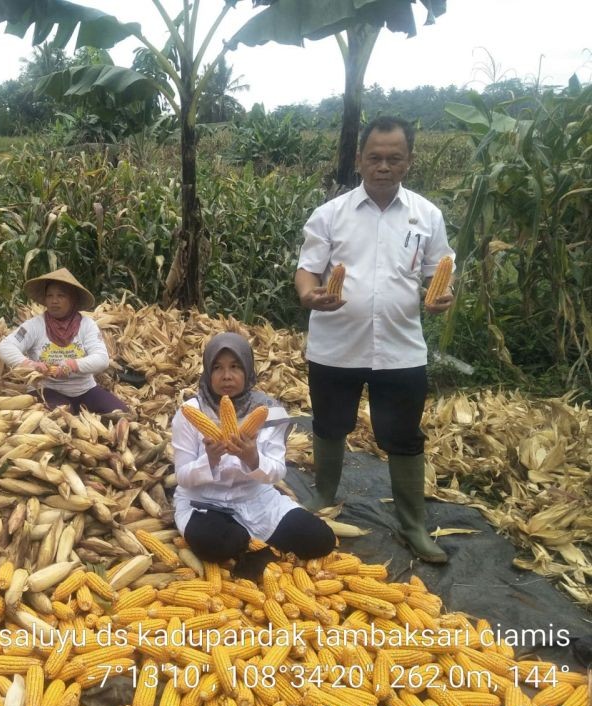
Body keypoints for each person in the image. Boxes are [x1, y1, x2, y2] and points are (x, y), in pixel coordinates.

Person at [294, 116, 455, 564]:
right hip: (335, 346)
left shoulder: (427, 216)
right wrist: (309, 294)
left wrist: (440, 296)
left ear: (408, 162)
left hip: (401, 349)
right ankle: (322, 501)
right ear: (360, 160)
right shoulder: (330, 215)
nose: (383, 166)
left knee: (403, 436)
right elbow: (308, 268)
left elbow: (437, 274)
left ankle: (413, 525)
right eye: (375, 157)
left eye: (394, 158)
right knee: (329, 426)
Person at [172, 332, 336, 579]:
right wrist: (211, 459)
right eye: (217, 368)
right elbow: (183, 477)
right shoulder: (189, 413)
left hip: (255, 499)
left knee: (321, 540)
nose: (226, 376)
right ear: (207, 372)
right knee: (215, 542)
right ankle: (251, 546)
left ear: (248, 370)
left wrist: (252, 458)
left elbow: (278, 470)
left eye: (235, 367)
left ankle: (248, 545)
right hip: (204, 501)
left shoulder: (270, 412)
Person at [0, 268, 127, 414]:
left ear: (73, 299)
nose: (54, 301)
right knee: (62, 415)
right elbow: (5, 347)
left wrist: (71, 365)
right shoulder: (34, 325)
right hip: (46, 389)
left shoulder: (87, 325)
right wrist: (31, 365)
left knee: (123, 414)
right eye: (49, 295)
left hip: (83, 389)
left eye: (61, 295)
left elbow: (101, 359)